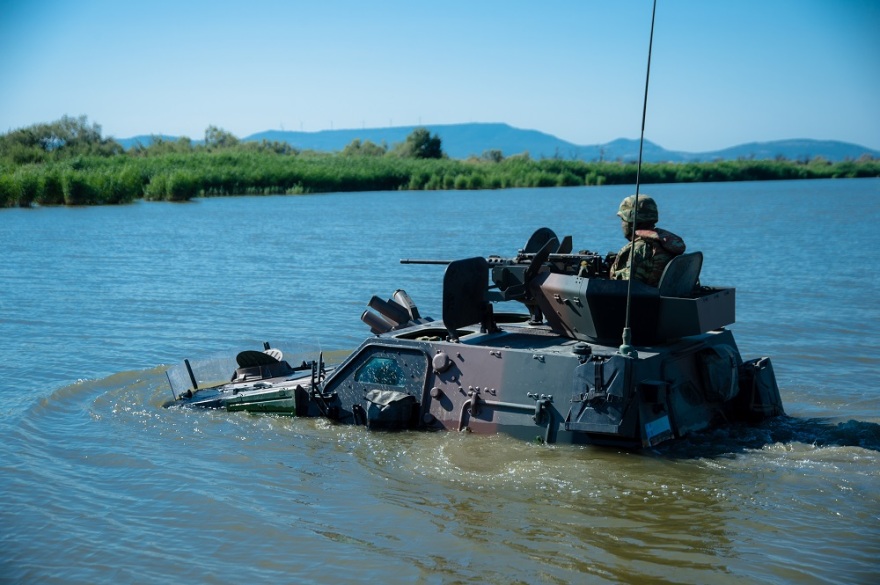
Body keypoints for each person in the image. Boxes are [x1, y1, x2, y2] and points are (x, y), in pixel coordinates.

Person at [609, 194, 686, 286]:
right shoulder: (667, 243)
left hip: (645, 299)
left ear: (630, 223)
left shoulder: (637, 249)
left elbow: (623, 288)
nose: (622, 224)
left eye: (623, 219)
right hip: (664, 296)